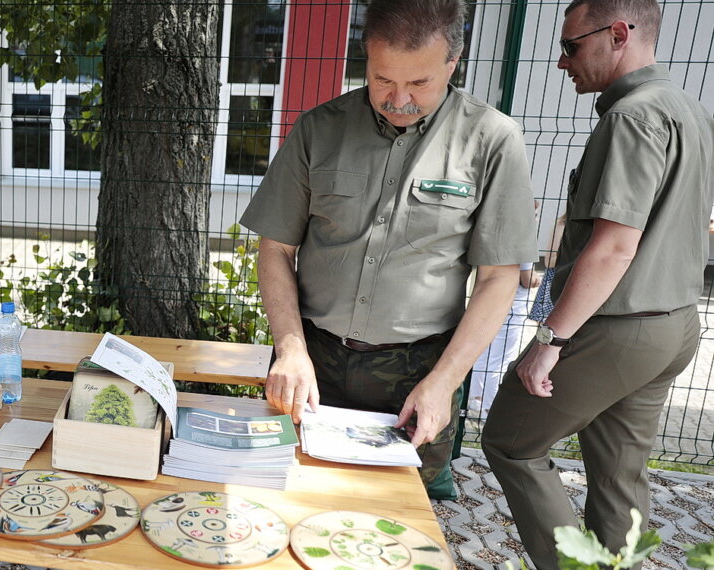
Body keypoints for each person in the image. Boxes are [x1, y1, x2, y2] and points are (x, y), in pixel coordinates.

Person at [239, 0, 537, 499]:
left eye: (418, 83)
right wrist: (290, 347)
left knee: (395, 521)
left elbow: (498, 278)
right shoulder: (320, 129)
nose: (398, 99)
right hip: (314, 362)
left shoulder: (492, 140)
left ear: (452, 62)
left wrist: (445, 381)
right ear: (366, 58)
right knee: (293, 502)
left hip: (418, 374)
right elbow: (274, 249)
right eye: (382, 80)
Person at [482, 0, 714, 566]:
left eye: (571, 46)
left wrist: (549, 341)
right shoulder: (689, 109)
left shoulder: (630, 117)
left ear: (617, 34)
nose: (562, 62)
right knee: (617, 477)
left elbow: (612, 248)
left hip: (617, 326)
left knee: (511, 443)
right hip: (676, 324)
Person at [467, 262, 541, 419]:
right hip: (513, 305)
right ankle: (490, 410)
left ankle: (475, 398)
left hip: (489, 297)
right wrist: (534, 276)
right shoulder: (523, 241)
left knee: (483, 351)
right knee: (501, 360)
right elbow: (528, 280)